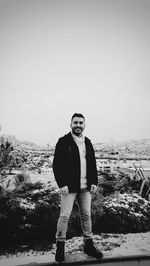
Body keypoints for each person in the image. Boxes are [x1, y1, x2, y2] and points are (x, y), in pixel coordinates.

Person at [53, 113, 103, 262]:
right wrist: (61, 184)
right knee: (64, 216)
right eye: (76, 122)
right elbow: (57, 165)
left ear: (84, 125)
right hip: (69, 187)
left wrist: (94, 181)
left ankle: (88, 245)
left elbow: (92, 163)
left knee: (86, 215)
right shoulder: (63, 141)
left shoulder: (88, 142)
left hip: (85, 187)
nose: (78, 125)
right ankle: (60, 247)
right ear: (71, 124)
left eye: (81, 123)